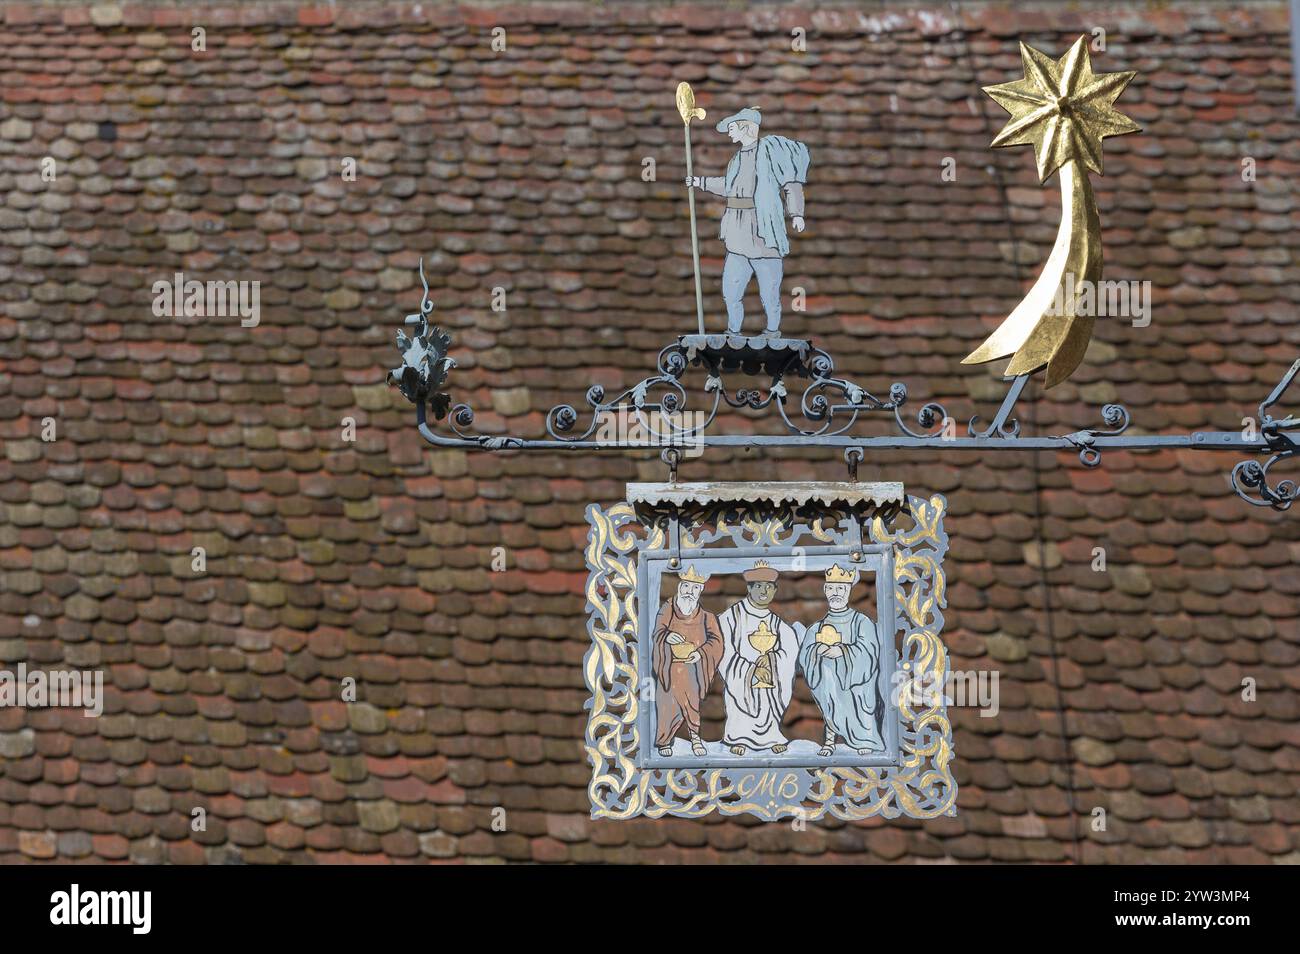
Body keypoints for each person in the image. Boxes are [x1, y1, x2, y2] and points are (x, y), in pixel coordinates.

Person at [685, 106, 810, 337]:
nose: (729, 134)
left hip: (763, 234)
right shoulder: (736, 159)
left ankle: (772, 331)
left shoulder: (771, 153)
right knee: (731, 291)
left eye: (732, 128)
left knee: (770, 293)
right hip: (737, 235)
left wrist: (797, 213)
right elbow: (730, 187)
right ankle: (733, 332)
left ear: (745, 127)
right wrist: (699, 182)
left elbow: (791, 183)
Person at [798, 564, 886, 756]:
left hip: (856, 688)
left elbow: (869, 651)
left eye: (840, 588)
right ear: (825, 590)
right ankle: (830, 741)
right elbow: (806, 654)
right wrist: (816, 650)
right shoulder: (817, 628)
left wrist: (843, 652)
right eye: (831, 588)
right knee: (829, 698)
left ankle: (866, 738)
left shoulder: (861, 622)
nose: (835, 593)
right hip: (830, 684)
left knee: (860, 700)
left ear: (848, 590)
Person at [717, 561, 800, 756]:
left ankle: (771, 737)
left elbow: (790, 647)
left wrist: (771, 659)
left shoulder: (776, 622)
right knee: (739, 702)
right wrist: (751, 670)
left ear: (775, 590)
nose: (764, 591)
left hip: (768, 677)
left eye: (769, 587)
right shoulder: (732, 617)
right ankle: (737, 738)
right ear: (749, 588)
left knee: (767, 701)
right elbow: (724, 649)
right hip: (743, 677)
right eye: (759, 586)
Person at [652, 565, 723, 756]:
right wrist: (666, 636)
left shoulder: (707, 617)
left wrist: (700, 653)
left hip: (692, 668)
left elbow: (717, 642)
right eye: (685, 586)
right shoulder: (667, 609)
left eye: (694, 588)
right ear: (679, 586)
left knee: (691, 705)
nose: (688, 592)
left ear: (700, 591)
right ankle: (665, 741)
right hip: (669, 667)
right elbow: (658, 630)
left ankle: (695, 738)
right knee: (667, 705)